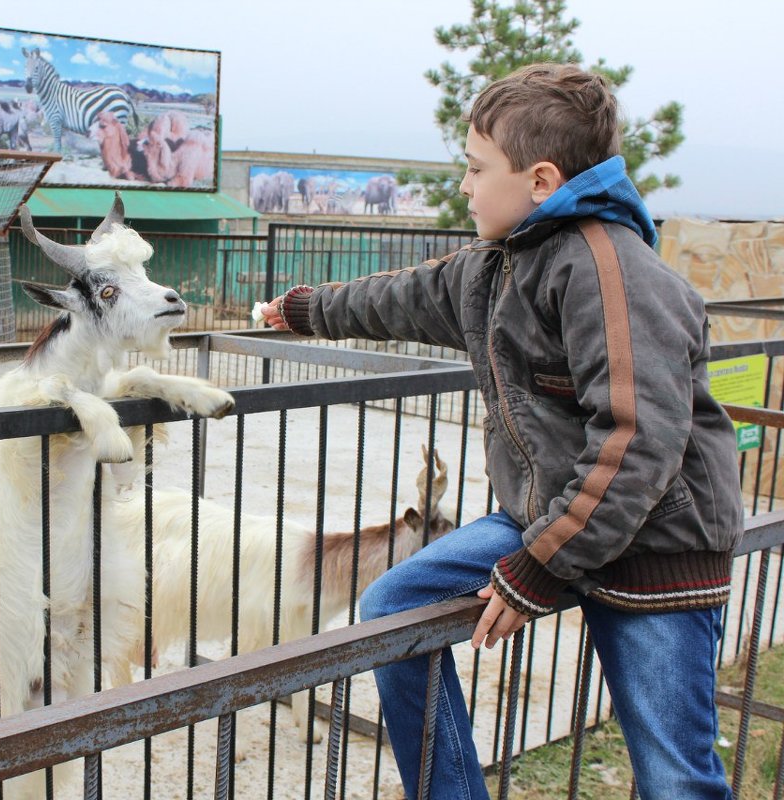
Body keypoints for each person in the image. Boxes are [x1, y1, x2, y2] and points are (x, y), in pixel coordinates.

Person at [261, 63, 741, 800]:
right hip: (550, 518)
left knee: (675, 776)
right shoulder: (496, 265)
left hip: (656, 548)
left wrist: (539, 567)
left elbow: (636, 442)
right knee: (396, 605)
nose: (464, 185)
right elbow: (399, 297)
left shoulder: (613, 273)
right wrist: (304, 309)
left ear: (541, 179)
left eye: (477, 168)